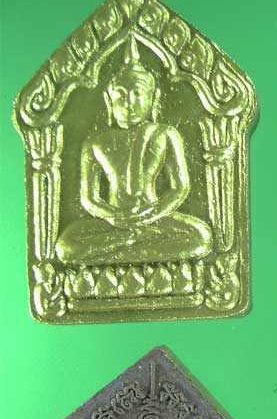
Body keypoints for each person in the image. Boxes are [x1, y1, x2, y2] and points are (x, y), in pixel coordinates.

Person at [56, 36, 213, 265]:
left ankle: (121, 247)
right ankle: (132, 242)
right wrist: (112, 216)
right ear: (109, 100)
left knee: (201, 237)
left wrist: (152, 213)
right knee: (65, 246)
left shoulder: (165, 134)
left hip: (154, 219)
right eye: (121, 94)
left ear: (153, 99)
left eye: (137, 93)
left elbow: (179, 188)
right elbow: (88, 198)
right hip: (113, 222)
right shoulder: (96, 141)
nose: (128, 102)